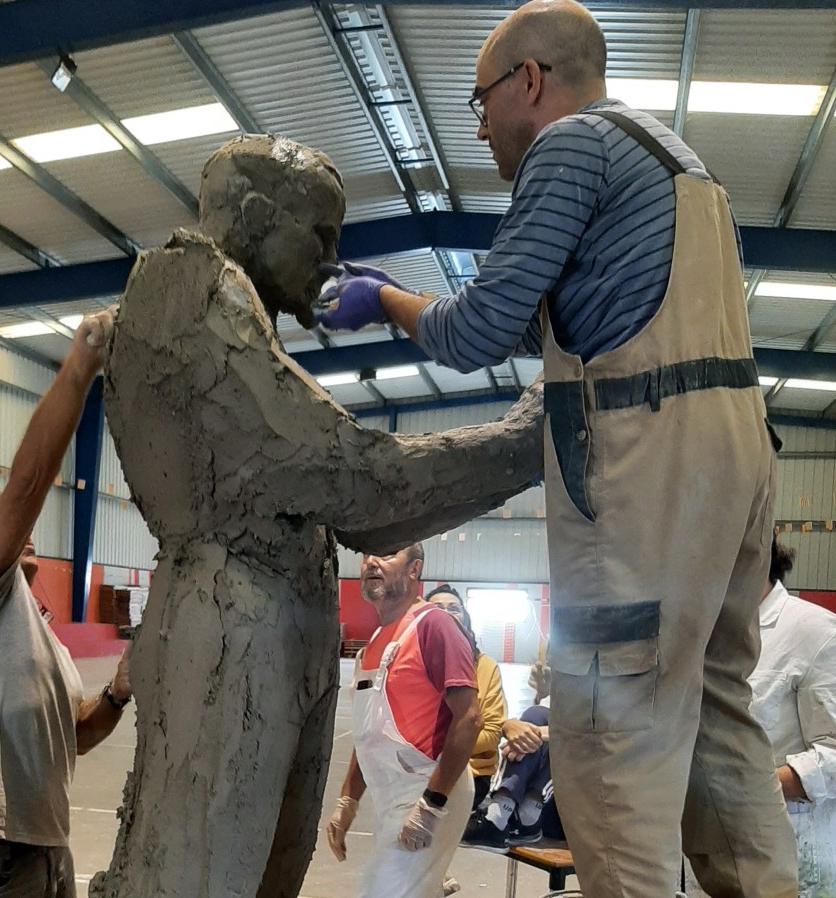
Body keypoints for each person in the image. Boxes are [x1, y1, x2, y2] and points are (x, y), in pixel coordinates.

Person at [315, 1, 797, 894]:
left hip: (654, 474)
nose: (485, 126)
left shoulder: (570, 147)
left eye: (481, 103)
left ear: (529, 81)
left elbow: (478, 327)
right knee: (718, 724)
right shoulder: (684, 167)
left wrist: (383, 300)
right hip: (736, 463)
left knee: (610, 759)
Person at [93, 135, 546, 898]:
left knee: (265, 864)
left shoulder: (240, 316)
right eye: (320, 235)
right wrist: (524, 443)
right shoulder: (190, 285)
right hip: (230, 623)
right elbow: (357, 481)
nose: (331, 260)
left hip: (268, 622)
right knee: (204, 872)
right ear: (259, 213)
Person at [0, 309, 133, 898]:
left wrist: (117, 691)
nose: (20, 522)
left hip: (39, 852)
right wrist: (78, 369)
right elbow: (28, 484)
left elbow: (74, 737)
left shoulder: (31, 627)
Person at [326, 546, 482, 898]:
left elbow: (469, 718)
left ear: (414, 570)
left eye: (386, 555)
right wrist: (347, 802)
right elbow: (370, 734)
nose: (371, 563)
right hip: (389, 797)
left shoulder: (435, 626)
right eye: (367, 556)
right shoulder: (376, 642)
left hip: (427, 788)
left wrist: (431, 805)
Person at [687, 536, 836, 897]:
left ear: (753, 558)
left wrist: (750, 788)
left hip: (792, 855)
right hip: (707, 851)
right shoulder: (700, 634)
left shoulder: (814, 632)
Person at [463, 662, 563, 853]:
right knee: (535, 716)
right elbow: (547, 714)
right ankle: (514, 811)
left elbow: (590, 734)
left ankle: (500, 813)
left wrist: (540, 733)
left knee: (566, 737)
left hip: (583, 793)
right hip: (544, 796)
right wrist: (515, 728)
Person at [425, 584, 507, 809]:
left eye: (454, 608)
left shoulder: (486, 667)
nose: (445, 613)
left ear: (466, 619)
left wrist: (435, 750)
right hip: (417, 770)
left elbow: (491, 733)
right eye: (437, 608)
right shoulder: (413, 665)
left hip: (469, 773)